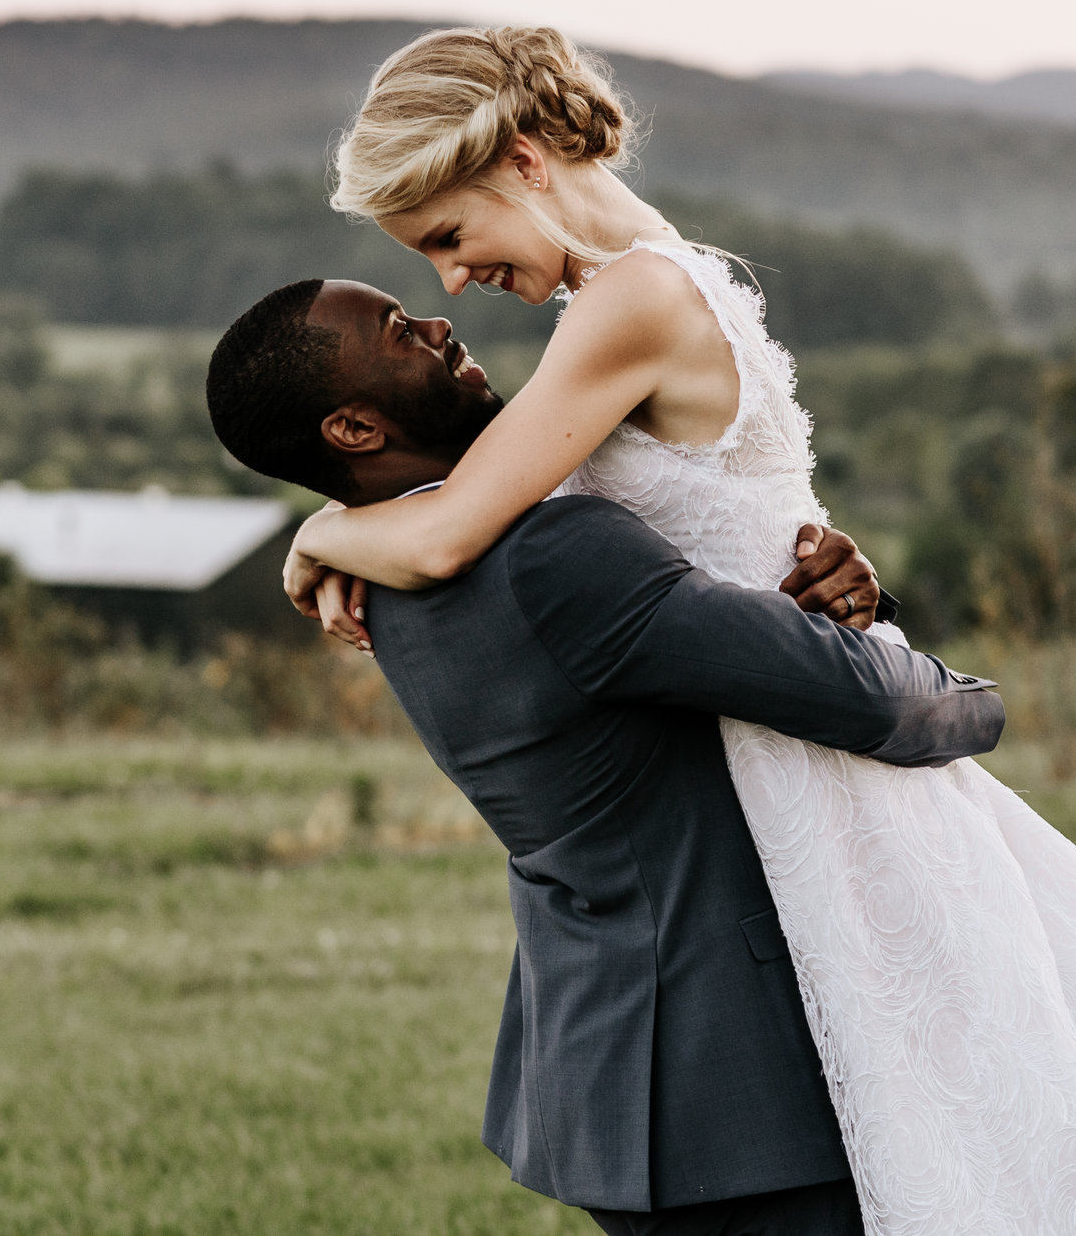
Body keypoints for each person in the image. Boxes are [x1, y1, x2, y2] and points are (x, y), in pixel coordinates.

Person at [255, 26, 1076, 1235]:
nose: (455, 279)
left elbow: (443, 534)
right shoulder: (649, 286)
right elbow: (730, 518)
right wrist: (836, 573)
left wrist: (319, 537)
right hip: (786, 741)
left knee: (1007, 1125)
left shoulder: (629, 303)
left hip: (812, 758)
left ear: (525, 161)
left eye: (443, 234)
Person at [204, 275, 1007, 1233]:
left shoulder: (385, 579)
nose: (437, 318)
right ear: (354, 429)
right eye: (398, 331)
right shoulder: (551, 555)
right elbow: (870, 699)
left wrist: (808, 608)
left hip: (610, 1058)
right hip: (735, 1075)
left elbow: (657, 685)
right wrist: (972, 699)